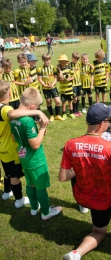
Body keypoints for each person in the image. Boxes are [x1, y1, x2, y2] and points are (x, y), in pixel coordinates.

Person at [59, 103, 111, 260]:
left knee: (78, 171)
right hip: (101, 202)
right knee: (98, 231)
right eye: (109, 120)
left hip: (81, 197)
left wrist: (79, 168)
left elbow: (63, 177)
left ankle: (83, 208)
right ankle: (76, 253)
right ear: (102, 123)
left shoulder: (70, 144)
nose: (110, 123)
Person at [10, 87, 62, 219]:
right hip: (35, 159)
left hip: (23, 155)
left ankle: (34, 208)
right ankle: (45, 212)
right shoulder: (27, 121)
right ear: (32, 106)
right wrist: (42, 128)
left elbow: (13, 137)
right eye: (37, 107)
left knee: (30, 183)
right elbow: (35, 144)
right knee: (40, 186)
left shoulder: (14, 117)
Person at [0, 81, 48, 209]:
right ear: (9, 93)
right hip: (10, 149)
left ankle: (6, 192)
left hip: (2, 148)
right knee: (15, 175)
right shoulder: (6, 109)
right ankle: (19, 200)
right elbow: (12, 114)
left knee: (7, 172)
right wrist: (38, 113)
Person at [37, 53, 64, 122]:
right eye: (45, 60)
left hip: (53, 87)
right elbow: (39, 79)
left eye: (48, 60)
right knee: (48, 102)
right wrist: (44, 85)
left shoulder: (53, 67)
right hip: (45, 88)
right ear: (43, 60)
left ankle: (57, 115)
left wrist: (53, 84)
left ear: (50, 59)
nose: (46, 61)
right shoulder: (40, 68)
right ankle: (51, 115)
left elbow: (55, 78)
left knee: (58, 101)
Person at [57, 53, 75, 120]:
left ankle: (71, 113)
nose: (63, 63)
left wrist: (68, 79)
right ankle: (64, 114)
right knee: (63, 102)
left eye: (64, 61)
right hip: (63, 89)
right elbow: (57, 79)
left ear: (67, 62)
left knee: (70, 101)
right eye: (62, 61)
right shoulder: (58, 69)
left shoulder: (70, 68)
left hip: (69, 89)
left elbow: (73, 77)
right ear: (60, 62)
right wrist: (60, 80)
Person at [70, 52, 82, 116]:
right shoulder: (69, 64)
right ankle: (74, 111)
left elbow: (86, 62)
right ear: (72, 58)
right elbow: (58, 65)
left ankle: (77, 110)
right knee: (74, 98)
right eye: (75, 59)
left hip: (79, 84)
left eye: (77, 59)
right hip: (73, 84)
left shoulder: (79, 64)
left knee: (78, 97)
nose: (77, 60)